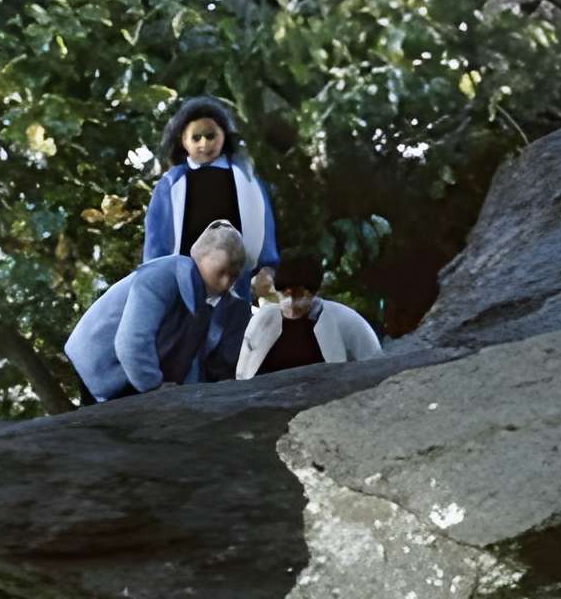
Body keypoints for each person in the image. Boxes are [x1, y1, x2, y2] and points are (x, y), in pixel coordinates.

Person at [142, 96, 277, 377]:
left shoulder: (245, 179)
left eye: (211, 136)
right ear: (182, 139)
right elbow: (156, 235)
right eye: (197, 137)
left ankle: (230, 386)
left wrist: (266, 264)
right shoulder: (172, 182)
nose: (204, 144)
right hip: (187, 273)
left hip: (235, 271)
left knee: (232, 334)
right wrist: (154, 273)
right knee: (187, 337)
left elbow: (264, 224)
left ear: (224, 136)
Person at [65, 224, 246, 402]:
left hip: (129, 375)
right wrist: (153, 386)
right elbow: (132, 341)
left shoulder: (202, 305)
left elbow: (188, 358)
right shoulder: (161, 276)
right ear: (201, 255)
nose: (225, 284)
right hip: (100, 365)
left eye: (232, 276)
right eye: (221, 272)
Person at [235, 252, 385, 378]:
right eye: (285, 294)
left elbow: (376, 368)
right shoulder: (261, 321)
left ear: (315, 291)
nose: (292, 303)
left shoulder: (348, 322)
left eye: (300, 295)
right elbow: (242, 373)